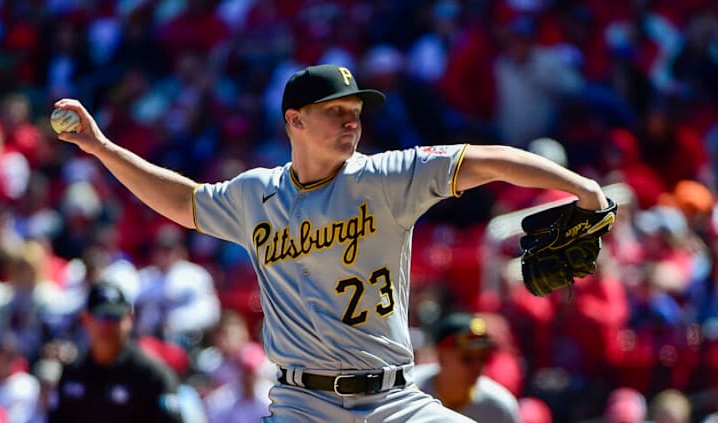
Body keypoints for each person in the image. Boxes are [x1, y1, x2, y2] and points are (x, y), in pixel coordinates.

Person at [53, 63, 609, 422]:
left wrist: (581, 188)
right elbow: (180, 199)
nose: (351, 121)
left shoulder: (386, 177)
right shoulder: (256, 194)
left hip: (395, 399)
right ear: (294, 120)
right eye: (335, 112)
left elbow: (484, 159)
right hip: (302, 403)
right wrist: (102, 147)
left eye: (356, 112)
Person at [48, 281, 183, 422]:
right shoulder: (73, 371)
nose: (107, 325)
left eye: (115, 317)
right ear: (85, 319)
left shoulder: (152, 376)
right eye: (100, 316)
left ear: (130, 318)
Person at [413, 313, 521, 423]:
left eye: (482, 358)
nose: (477, 367)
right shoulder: (408, 390)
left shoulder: (500, 407)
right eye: (467, 358)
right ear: (441, 356)